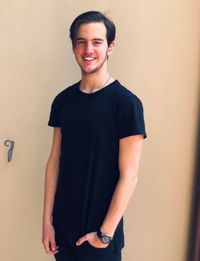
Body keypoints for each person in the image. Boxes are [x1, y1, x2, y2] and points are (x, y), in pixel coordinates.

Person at [42, 10, 147, 261]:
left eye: (97, 42)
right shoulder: (63, 101)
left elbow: (129, 176)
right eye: (81, 42)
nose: (88, 49)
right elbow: (54, 162)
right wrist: (47, 221)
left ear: (110, 47)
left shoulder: (126, 104)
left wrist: (105, 234)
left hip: (100, 237)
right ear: (74, 47)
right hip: (63, 233)